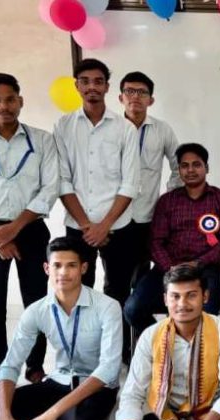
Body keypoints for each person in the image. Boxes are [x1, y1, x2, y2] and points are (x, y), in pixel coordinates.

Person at [0, 236, 123, 420]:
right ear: (46, 269)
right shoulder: (37, 310)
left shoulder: (108, 307)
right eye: (57, 265)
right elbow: (10, 365)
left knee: (74, 419)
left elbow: (109, 369)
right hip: (58, 382)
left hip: (95, 388)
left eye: (71, 265)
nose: (63, 272)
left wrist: (51, 414)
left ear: (83, 268)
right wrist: (4, 416)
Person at [0, 73, 58, 381]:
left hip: (30, 228)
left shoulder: (42, 140)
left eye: (10, 99)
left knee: (36, 303)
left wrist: (14, 228)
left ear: (21, 101)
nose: (3, 106)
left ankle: (35, 367)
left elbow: (50, 188)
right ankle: (0, 372)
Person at [54, 58, 139, 358]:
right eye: (85, 81)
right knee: (77, 290)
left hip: (118, 226)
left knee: (117, 292)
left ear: (107, 86)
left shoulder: (125, 129)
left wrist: (104, 226)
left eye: (98, 81)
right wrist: (87, 226)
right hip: (78, 226)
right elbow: (62, 180)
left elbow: (130, 183)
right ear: (76, 86)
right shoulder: (63, 126)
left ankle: (118, 353)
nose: (92, 87)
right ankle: (82, 353)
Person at [124, 143, 220, 331]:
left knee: (207, 312)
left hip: (205, 270)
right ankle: (164, 339)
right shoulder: (167, 201)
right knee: (132, 309)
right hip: (167, 269)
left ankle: (195, 347)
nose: (190, 170)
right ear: (179, 170)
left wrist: (198, 263)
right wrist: (171, 268)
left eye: (196, 164)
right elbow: (155, 242)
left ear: (206, 168)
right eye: (185, 166)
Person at [117, 264, 220, 420]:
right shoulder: (151, 335)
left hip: (208, 415)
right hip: (164, 416)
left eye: (191, 295)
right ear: (165, 299)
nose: (182, 304)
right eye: (175, 296)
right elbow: (132, 395)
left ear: (205, 296)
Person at [118, 71, 181, 286]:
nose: (135, 96)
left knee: (142, 274)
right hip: (115, 216)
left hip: (146, 215)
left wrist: (167, 199)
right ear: (120, 97)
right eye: (129, 91)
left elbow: (179, 165)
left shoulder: (162, 130)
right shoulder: (111, 129)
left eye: (142, 92)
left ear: (151, 100)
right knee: (115, 278)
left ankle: (139, 309)